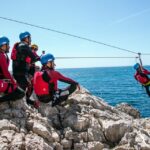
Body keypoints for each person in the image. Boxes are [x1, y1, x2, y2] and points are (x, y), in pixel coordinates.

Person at [12, 31, 36, 104]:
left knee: (26, 86)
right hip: (21, 72)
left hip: (18, 71)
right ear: (26, 38)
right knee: (27, 86)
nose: (31, 40)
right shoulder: (24, 46)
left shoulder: (19, 45)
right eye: (30, 38)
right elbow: (33, 57)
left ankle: (25, 100)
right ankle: (23, 101)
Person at [0, 36, 25, 102]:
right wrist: (13, 82)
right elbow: (5, 72)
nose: (9, 46)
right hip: (1, 81)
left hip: (2, 80)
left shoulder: (2, 54)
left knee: (15, 85)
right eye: (7, 44)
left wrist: (12, 81)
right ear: (2, 46)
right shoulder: (1, 55)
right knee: (21, 93)